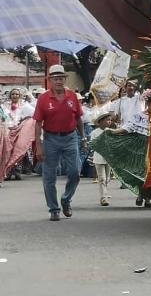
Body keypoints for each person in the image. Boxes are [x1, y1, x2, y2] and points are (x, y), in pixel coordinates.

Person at [33, 65, 86, 221]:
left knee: (75, 173)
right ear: (50, 80)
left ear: (65, 79)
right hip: (50, 139)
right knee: (49, 176)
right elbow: (37, 123)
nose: (58, 81)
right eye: (55, 78)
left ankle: (66, 199)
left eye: (61, 78)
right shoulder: (43, 99)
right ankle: (54, 209)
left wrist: (83, 138)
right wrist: (39, 146)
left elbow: (78, 119)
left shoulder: (73, 96)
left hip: (70, 137)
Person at [1, 88, 35, 179]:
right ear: (10, 96)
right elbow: (3, 117)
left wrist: (24, 121)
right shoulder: (5, 106)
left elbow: (34, 113)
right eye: (13, 94)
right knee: (8, 151)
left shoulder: (24, 105)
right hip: (8, 131)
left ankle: (16, 171)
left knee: (17, 150)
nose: (15, 96)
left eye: (16, 94)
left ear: (19, 96)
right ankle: (7, 172)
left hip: (19, 130)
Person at [90, 112, 113, 207]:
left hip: (109, 158)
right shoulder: (95, 132)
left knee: (107, 178)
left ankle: (105, 193)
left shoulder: (111, 131)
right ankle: (103, 197)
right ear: (101, 122)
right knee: (102, 178)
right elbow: (93, 144)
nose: (109, 122)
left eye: (110, 120)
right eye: (107, 120)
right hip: (99, 158)